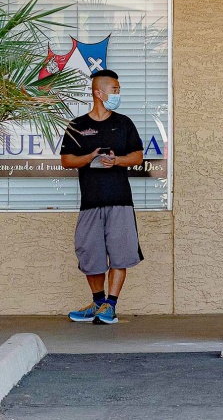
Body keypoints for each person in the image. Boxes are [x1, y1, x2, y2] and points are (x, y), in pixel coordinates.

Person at [59, 69, 145, 325]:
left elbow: (138, 156)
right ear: (99, 92)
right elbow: (66, 160)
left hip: (119, 200)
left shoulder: (124, 123)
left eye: (118, 90)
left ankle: (111, 305)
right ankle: (97, 304)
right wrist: (90, 158)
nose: (118, 94)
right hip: (90, 202)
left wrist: (116, 160)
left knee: (120, 253)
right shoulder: (77, 125)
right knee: (90, 253)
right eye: (114, 90)